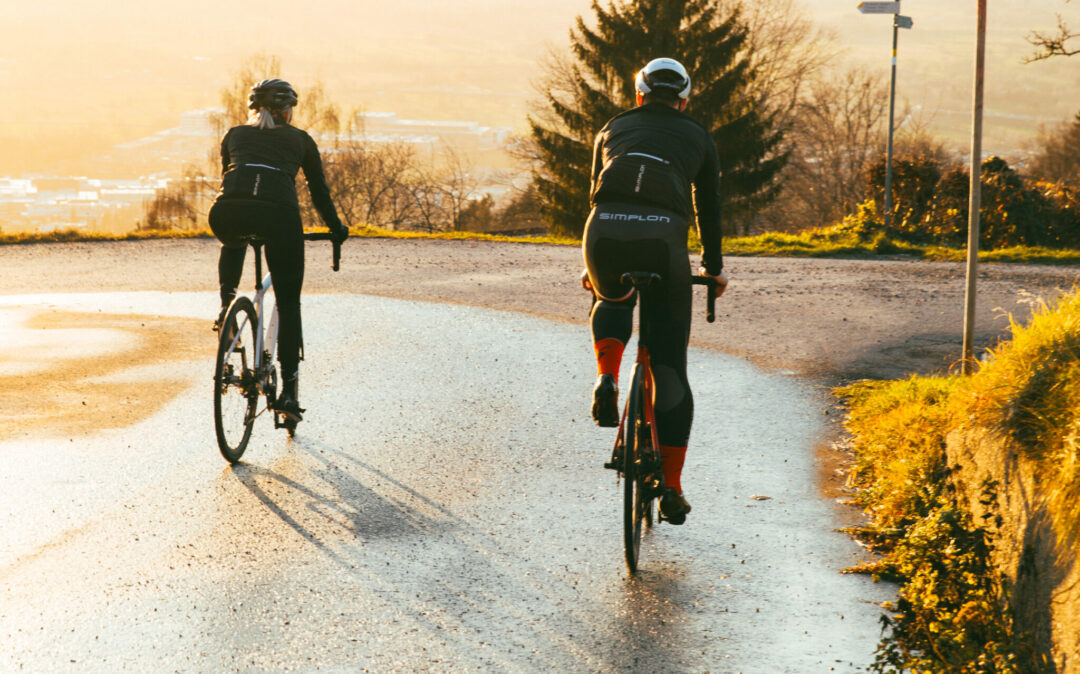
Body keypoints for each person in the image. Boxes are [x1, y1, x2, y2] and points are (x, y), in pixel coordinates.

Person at [581, 57, 729, 525]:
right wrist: (713, 267)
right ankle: (672, 484)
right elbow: (709, 206)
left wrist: (593, 267)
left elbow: (595, 193)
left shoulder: (613, 126)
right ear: (683, 99)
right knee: (668, 367)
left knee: (611, 296)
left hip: (602, 231)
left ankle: (606, 374)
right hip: (663, 240)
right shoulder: (699, 136)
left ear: (639, 95)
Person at [209, 78, 348, 423]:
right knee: (288, 301)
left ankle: (227, 307)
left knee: (234, 238)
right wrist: (336, 229)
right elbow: (318, 192)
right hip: (279, 218)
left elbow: (230, 178)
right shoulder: (300, 140)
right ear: (287, 112)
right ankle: (288, 392)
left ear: (252, 110)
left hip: (226, 212)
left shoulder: (234, 134)